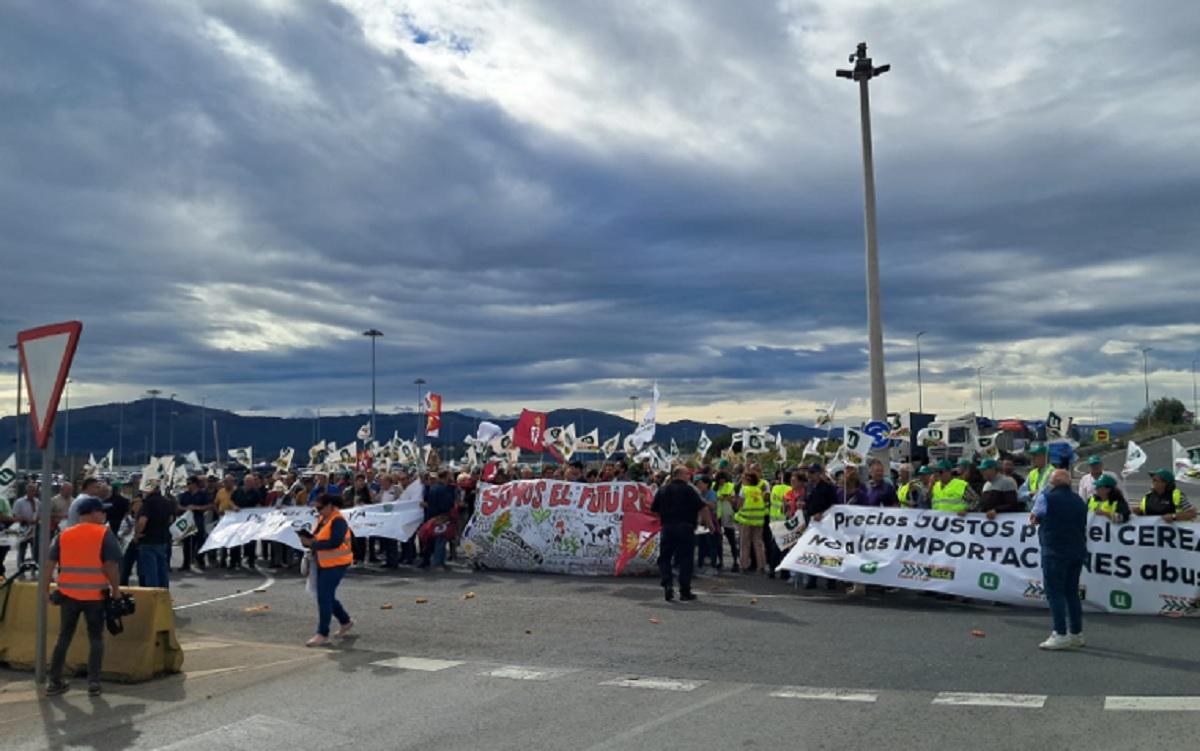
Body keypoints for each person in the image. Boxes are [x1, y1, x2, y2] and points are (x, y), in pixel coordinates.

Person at [45, 497, 122, 697]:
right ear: (92, 513)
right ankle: (94, 683)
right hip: (95, 596)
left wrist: (45, 589)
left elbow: (49, 564)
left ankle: (54, 681)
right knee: (96, 638)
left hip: (68, 596)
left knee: (64, 637)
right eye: (102, 511)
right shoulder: (104, 533)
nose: (104, 515)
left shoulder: (64, 534)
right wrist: (116, 590)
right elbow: (110, 565)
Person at [1030, 469, 1087, 650]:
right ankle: (1076, 633)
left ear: (1052, 483)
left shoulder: (1046, 497)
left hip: (1054, 550)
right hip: (1077, 549)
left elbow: (1034, 518)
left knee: (1055, 593)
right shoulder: (1079, 500)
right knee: (1072, 593)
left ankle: (1060, 633)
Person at [651, 466, 714, 602]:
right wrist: (710, 524)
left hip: (668, 527)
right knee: (686, 559)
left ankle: (667, 583)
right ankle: (684, 591)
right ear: (679, 475)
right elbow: (703, 508)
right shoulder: (689, 490)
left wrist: (665, 515)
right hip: (686, 527)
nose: (689, 476)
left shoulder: (663, 490)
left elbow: (654, 510)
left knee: (665, 558)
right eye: (687, 474)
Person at [300, 493, 354, 647]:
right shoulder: (324, 519)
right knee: (326, 596)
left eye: (320, 507)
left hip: (336, 563)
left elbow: (334, 542)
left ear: (330, 505)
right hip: (323, 562)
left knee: (324, 597)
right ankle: (345, 621)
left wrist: (312, 544)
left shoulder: (338, 520)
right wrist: (307, 541)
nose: (318, 511)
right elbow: (319, 539)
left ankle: (322, 633)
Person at [802, 464, 839, 591]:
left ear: (819, 474)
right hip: (813, 523)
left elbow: (834, 506)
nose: (810, 476)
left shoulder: (829, 488)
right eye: (809, 473)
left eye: (812, 473)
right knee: (812, 551)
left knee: (829, 551)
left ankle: (831, 580)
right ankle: (812, 579)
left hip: (827, 524)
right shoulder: (809, 487)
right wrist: (804, 505)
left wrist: (822, 514)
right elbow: (809, 502)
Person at [135, 481, 175, 588]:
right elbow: (171, 519)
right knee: (162, 569)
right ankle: (164, 593)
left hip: (148, 540)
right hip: (162, 538)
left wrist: (137, 534)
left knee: (150, 571)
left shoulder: (148, 503)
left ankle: (153, 595)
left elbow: (142, 521)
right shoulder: (167, 502)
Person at [734, 470, 767, 574]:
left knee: (745, 543)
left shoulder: (744, 489)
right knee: (758, 543)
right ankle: (761, 566)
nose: (742, 480)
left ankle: (744, 566)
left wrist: (737, 509)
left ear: (747, 480)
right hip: (758, 520)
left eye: (743, 478)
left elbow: (739, 504)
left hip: (746, 519)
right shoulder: (758, 490)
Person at [1131, 469, 1196, 522]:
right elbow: (1144, 512)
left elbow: (1192, 514)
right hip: (1152, 533)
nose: (1152, 482)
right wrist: (1137, 511)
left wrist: (1174, 517)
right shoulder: (1148, 496)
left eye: (1155, 480)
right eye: (1152, 480)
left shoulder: (1177, 495)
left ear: (1165, 483)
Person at [177, 476, 212, 571]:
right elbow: (179, 506)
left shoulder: (203, 494)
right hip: (187, 520)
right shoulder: (184, 495)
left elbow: (209, 505)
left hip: (198, 519)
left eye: (189, 483)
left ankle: (200, 561)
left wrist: (197, 508)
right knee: (186, 542)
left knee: (200, 541)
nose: (188, 486)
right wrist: (186, 508)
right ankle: (186, 563)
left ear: (195, 484)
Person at [693, 474, 720, 572]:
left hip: (710, 520)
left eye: (701, 483)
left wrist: (701, 500)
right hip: (700, 521)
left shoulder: (711, 493)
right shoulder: (698, 493)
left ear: (707, 484)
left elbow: (712, 506)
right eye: (697, 484)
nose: (698, 485)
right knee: (701, 543)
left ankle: (713, 564)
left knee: (711, 543)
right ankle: (700, 564)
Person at [713, 471, 739, 572]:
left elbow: (733, 499)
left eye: (723, 479)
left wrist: (725, 498)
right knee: (718, 540)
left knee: (731, 539)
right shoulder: (714, 487)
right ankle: (720, 561)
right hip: (717, 515)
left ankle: (735, 561)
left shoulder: (731, 486)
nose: (721, 481)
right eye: (720, 480)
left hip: (728, 514)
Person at [12, 482, 40, 568]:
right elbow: (15, 514)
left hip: (35, 528)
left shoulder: (37, 501)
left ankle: (35, 565)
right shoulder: (19, 502)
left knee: (35, 549)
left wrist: (37, 519)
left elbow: (40, 513)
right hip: (23, 527)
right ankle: (20, 566)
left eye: (34, 491)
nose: (33, 492)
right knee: (22, 548)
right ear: (27, 491)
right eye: (31, 490)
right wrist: (24, 519)